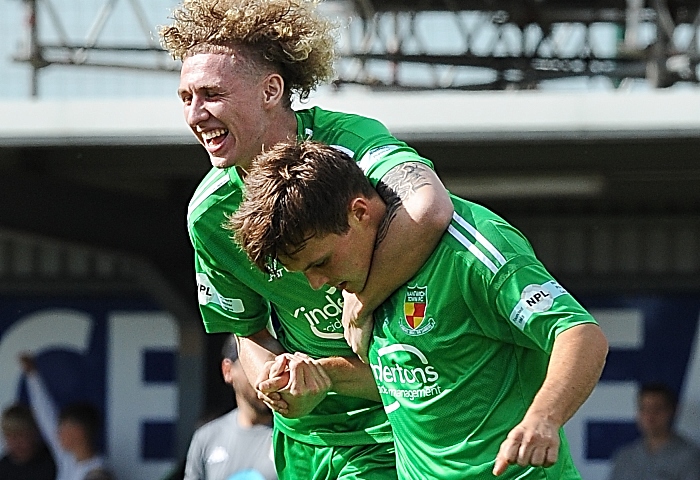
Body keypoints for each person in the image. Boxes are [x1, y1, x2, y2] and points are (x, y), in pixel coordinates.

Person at [159, 0, 454, 478]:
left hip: (399, 422)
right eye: (185, 98)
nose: (196, 115)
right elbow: (248, 329)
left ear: (271, 89)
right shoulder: (210, 215)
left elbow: (429, 208)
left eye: (211, 94)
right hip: (305, 443)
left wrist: (363, 299)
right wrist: (272, 383)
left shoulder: (351, 145)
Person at [228, 140, 610, 479]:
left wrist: (543, 418)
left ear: (359, 212)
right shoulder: (361, 281)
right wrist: (322, 377)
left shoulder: (468, 252)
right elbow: (413, 380)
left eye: (321, 262)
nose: (316, 283)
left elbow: (579, 334)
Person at [184, 334, 277, 480]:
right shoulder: (206, 438)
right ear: (228, 370)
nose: (269, 378)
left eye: (277, 367)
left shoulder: (299, 435)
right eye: (257, 367)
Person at [18, 354, 114, 480]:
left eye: (62, 429)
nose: (58, 434)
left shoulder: (98, 473)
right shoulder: (69, 459)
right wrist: (33, 377)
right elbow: (46, 418)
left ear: (77, 431)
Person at [608, 382, 700, 480]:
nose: (650, 416)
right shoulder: (624, 457)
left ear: (672, 411)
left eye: (657, 409)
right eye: (645, 409)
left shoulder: (690, 457)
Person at [0, 403, 57, 480]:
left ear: (33, 433)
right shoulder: (3, 468)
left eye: (20, 435)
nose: (16, 442)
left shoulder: (53, 463)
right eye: (10, 435)